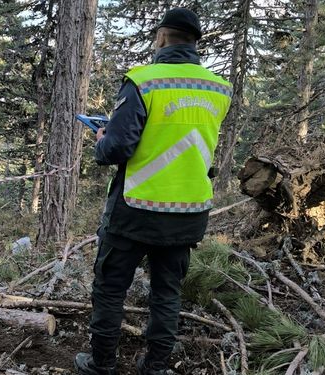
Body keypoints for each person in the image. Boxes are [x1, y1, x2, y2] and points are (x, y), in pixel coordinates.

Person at [74, 8, 232, 375]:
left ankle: (102, 365)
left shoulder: (143, 81)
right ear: (195, 42)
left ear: (162, 36)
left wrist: (101, 137)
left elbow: (116, 149)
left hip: (135, 209)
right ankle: (157, 366)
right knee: (167, 293)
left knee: (111, 288)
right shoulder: (219, 88)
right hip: (189, 211)